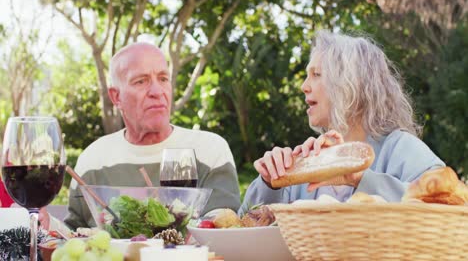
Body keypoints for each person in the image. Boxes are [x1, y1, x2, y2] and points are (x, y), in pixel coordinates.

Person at [241, 30, 445, 211]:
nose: (304, 86)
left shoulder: (400, 147)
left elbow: (448, 204)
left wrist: (359, 177)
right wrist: (269, 184)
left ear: (351, 84)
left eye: (316, 74)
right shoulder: (305, 162)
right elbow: (244, 226)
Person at [46, 42, 240, 231]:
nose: (157, 92)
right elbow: (73, 236)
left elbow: (223, 230)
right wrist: (44, 222)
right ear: (116, 97)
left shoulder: (210, 150)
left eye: (163, 79)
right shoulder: (93, 159)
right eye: (141, 81)